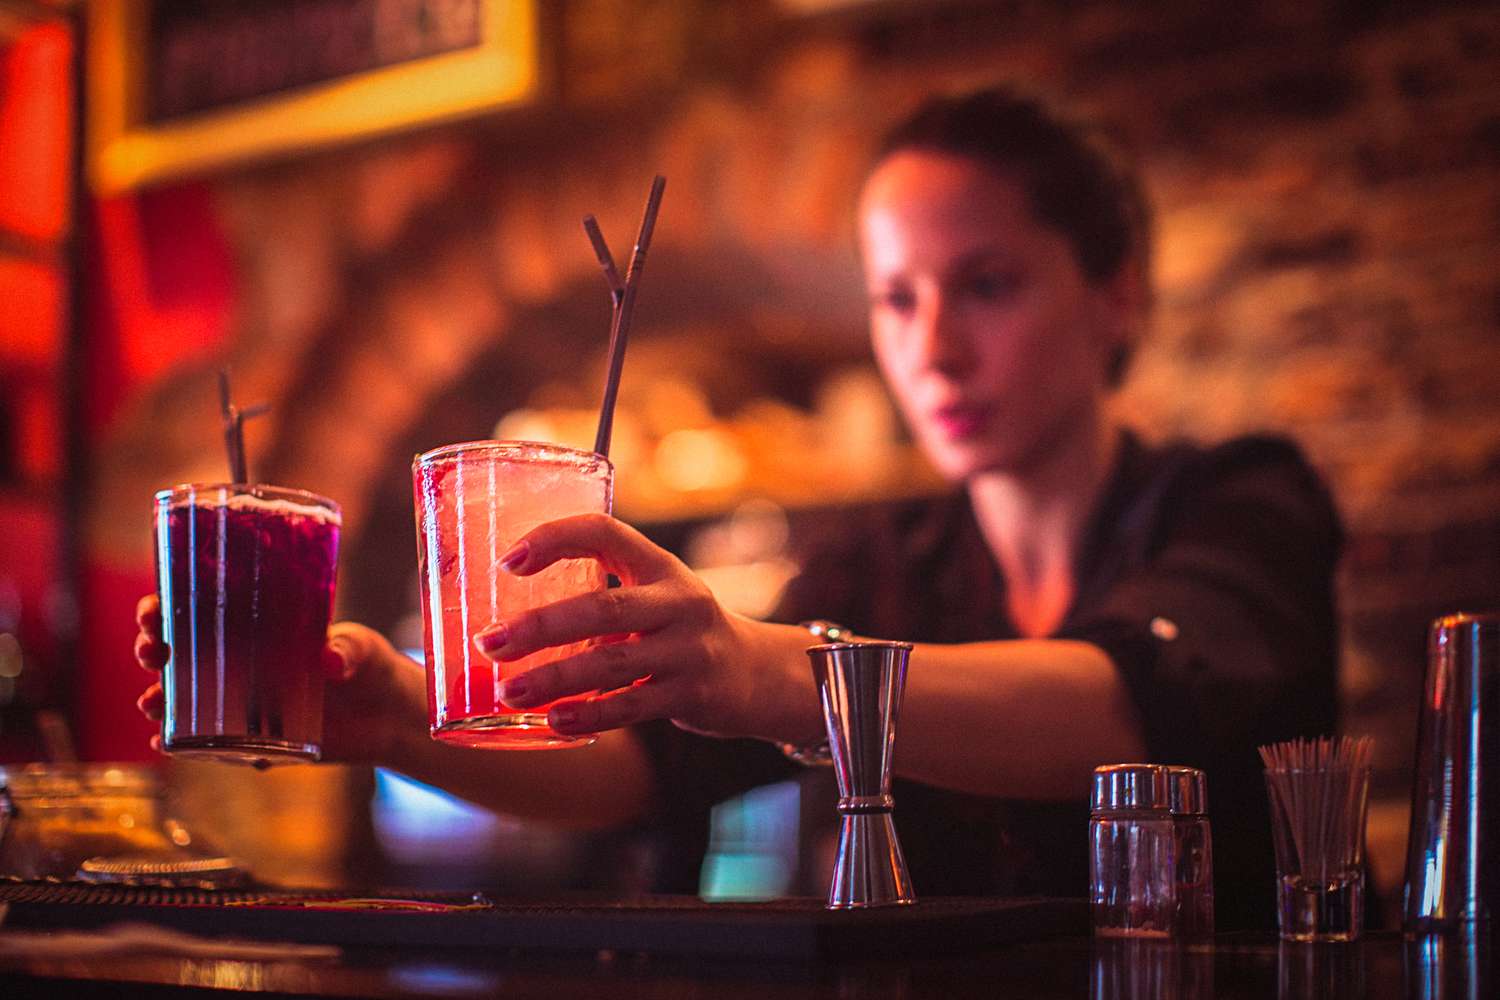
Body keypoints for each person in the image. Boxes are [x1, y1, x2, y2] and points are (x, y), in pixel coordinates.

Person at [134, 86, 1341, 929]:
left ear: (1115, 293)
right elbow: (644, 769)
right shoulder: (879, 563)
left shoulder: (1240, 499)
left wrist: (767, 672)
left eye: (988, 285)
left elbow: (1138, 703)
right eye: (896, 299)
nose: (934, 348)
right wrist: (400, 715)